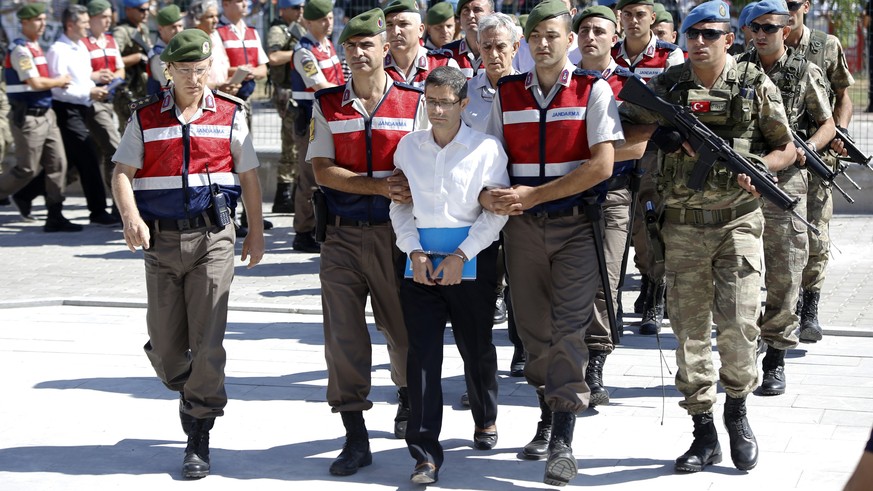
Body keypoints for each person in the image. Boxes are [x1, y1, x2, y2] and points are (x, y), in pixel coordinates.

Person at [619, 0, 796, 474]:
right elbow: (624, 117)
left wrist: (763, 168)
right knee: (689, 333)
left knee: (739, 326)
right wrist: (662, 137)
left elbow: (785, 148)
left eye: (710, 35)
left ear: (729, 39)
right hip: (680, 229)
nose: (700, 43)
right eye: (692, 34)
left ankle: (737, 410)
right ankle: (703, 430)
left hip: (737, 223)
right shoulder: (669, 85)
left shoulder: (755, 85)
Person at [111, 28, 265, 479]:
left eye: (202, 69)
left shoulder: (231, 115)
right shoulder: (145, 117)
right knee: (166, 349)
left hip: (213, 240)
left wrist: (255, 234)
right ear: (168, 71)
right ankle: (187, 384)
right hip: (159, 242)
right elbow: (122, 173)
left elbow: (250, 177)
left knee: (208, 340)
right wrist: (130, 217)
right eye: (186, 70)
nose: (196, 78)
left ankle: (199, 431)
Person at [482, 0, 623, 485]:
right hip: (520, 231)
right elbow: (490, 159)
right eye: (536, 36)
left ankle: (562, 435)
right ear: (526, 42)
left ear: (569, 40)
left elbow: (601, 165)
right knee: (533, 332)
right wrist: (488, 194)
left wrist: (535, 194)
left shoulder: (593, 89)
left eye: (553, 35)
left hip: (576, 227)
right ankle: (548, 410)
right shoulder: (507, 94)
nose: (544, 44)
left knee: (568, 329)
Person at [307, 8, 426, 478]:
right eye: (349, 46)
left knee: (403, 332)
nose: (358, 53)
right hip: (340, 233)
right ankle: (355, 435)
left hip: (398, 236)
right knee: (343, 337)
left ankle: (405, 397)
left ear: (385, 47)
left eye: (366, 45)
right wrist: (377, 186)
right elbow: (322, 169)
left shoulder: (413, 101)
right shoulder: (328, 103)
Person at [392, 65, 507, 485]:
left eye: (445, 102)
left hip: (471, 263)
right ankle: (424, 454)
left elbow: (495, 212)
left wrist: (463, 254)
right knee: (422, 357)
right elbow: (400, 204)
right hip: (419, 263)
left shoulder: (486, 148)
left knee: (475, 348)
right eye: (430, 101)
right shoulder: (408, 147)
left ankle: (485, 417)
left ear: (463, 104)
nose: (436, 110)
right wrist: (414, 251)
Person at [739, 0, 834, 397]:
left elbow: (828, 122)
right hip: (741, 179)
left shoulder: (805, 69)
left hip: (787, 181)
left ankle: (775, 357)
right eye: (754, 27)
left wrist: (806, 147)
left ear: (785, 27)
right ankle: (741, 354)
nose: (761, 34)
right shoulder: (736, 69)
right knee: (738, 270)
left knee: (785, 270)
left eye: (770, 27)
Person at [575, 4, 647, 407]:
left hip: (614, 194)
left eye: (599, 31)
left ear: (613, 36)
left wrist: (588, 160)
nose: (591, 37)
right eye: (583, 30)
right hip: (567, 193)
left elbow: (639, 143)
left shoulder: (629, 84)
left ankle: (596, 362)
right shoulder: (565, 81)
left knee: (605, 279)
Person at [785, 0, 855, 343]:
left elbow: (843, 96)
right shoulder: (760, 43)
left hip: (818, 155)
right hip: (780, 155)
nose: (787, 9)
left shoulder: (825, 46)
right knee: (783, 236)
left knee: (815, 234)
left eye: (793, 3)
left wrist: (838, 132)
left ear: (806, 5)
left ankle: (809, 308)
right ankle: (788, 303)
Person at [612, 0, 684, 336]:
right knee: (617, 226)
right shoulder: (608, 53)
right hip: (615, 150)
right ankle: (611, 302)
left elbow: (674, 106)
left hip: (654, 153)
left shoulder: (669, 56)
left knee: (650, 225)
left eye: (640, 14)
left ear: (652, 18)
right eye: (627, 14)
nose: (633, 21)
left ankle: (654, 294)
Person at [461, 12, 524, 381]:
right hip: (476, 203)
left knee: (520, 281)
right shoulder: (465, 91)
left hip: (518, 200)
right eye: (486, 46)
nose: (494, 53)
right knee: (482, 287)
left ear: (516, 47)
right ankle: (480, 372)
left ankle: (521, 347)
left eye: (501, 46)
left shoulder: (529, 89)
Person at [0, 3, 80, 232]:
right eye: (38, 20)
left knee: (58, 165)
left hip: (46, 114)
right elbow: (34, 83)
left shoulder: (35, 46)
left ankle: (55, 215)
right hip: (29, 117)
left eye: (44, 19)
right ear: (24, 22)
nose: (43, 24)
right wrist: (60, 81)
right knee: (26, 169)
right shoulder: (20, 50)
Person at [47, 4, 119, 226]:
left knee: (68, 161)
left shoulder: (79, 47)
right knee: (87, 157)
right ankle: (97, 211)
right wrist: (89, 90)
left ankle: (26, 195)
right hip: (66, 109)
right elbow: (58, 87)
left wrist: (95, 80)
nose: (88, 26)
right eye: (84, 23)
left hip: (83, 107)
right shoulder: (58, 50)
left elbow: (81, 78)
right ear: (70, 24)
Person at [289, 0, 345, 253]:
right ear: (308, 22)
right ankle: (303, 231)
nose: (328, 22)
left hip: (330, 115)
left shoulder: (328, 45)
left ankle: (319, 226)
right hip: (310, 118)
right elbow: (320, 85)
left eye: (330, 17)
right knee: (310, 177)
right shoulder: (304, 52)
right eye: (322, 19)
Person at [82, 0, 125, 209]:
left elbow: (120, 70)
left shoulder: (110, 40)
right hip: (93, 101)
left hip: (111, 100)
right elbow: (76, 72)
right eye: (103, 17)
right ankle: (120, 205)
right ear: (91, 18)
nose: (109, 21)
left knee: (99, 152)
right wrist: (96, 76)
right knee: (115, 149)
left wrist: (112, 76)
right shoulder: (82, 43)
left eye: (110, 16)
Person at [266, 0, 307, 214]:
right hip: (287, 93)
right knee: (290, 144)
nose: (299, 11)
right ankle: (284, 195)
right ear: (282, 10)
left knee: (296, 144)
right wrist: (301, 55)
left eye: (301, 7)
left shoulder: (298, 28)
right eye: (294, 8)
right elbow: (273, 57)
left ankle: (289, 193)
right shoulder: (278, 30)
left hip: (298, 92)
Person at [382, 0, 458, 88]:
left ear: (420, 30)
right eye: (389, 25)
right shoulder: (376, 67)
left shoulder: (445, 65)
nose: (395, 31)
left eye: (403, 24)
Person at [113, 0, 153, 132]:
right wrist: (136, 58)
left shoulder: (143, 28)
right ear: (128, 10)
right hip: (126, 91)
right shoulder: (121, 31)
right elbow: (112, 60)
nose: (146, 13)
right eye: (141, 10)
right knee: (128, 131)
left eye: (147, 9)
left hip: (142, 88)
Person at [512, 0, 581, 73]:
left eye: (551, 36)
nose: (553, 7)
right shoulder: (522, 48)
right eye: (535, 36)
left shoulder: (581, 48)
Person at [442, 0, 493, 78]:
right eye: (466, 10)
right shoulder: (447, 53)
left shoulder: (501, 52)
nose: (470, 15)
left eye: (477, 10)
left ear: (491, 15)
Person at [146, 5, 185, 95]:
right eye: (173, 27)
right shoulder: (159, 56)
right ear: (160, 29)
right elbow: (172, 84)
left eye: (180, 26)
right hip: (164, 106)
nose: (178, 30)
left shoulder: (179, 49)